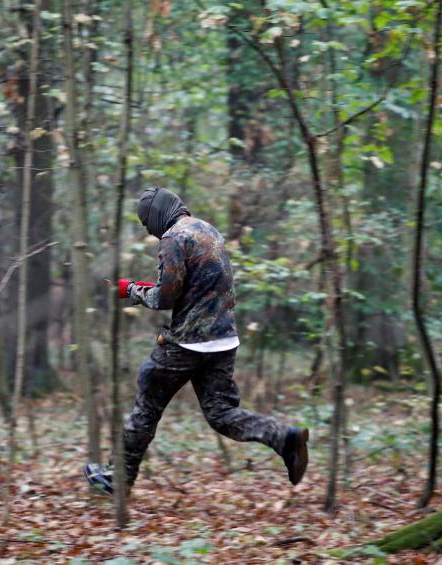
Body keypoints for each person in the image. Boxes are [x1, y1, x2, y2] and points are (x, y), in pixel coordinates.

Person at [84, 187, 309, 496]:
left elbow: (166, 296)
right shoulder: (208, 230)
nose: (151, 232)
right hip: (223, 341)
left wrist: (134, 291)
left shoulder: (173, 237)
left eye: (148, 224)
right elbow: (196, 285)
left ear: (157, 216)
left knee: (147, 401)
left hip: (189, 342)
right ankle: (285, 438)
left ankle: (118, 478)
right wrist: (139, 287)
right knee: (221, 413)